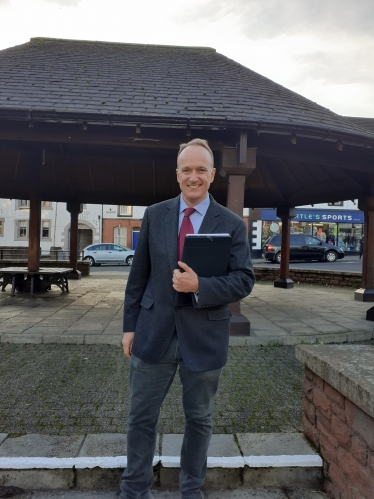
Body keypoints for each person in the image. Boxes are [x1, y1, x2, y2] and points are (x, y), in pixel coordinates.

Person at [119, 138, 255, 499]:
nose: (192, 177)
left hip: (204, 336)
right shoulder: (154, 214)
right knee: (140, 418)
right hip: (152, 332)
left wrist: (201, 286)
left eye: (200, 170)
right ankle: (134, 491)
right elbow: (139, 278)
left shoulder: (231, 223)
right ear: (176, 174)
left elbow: (244, 279)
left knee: (198, 420)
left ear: (212, 175)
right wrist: (129, 326)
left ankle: (191, 491)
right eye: (186, 170)